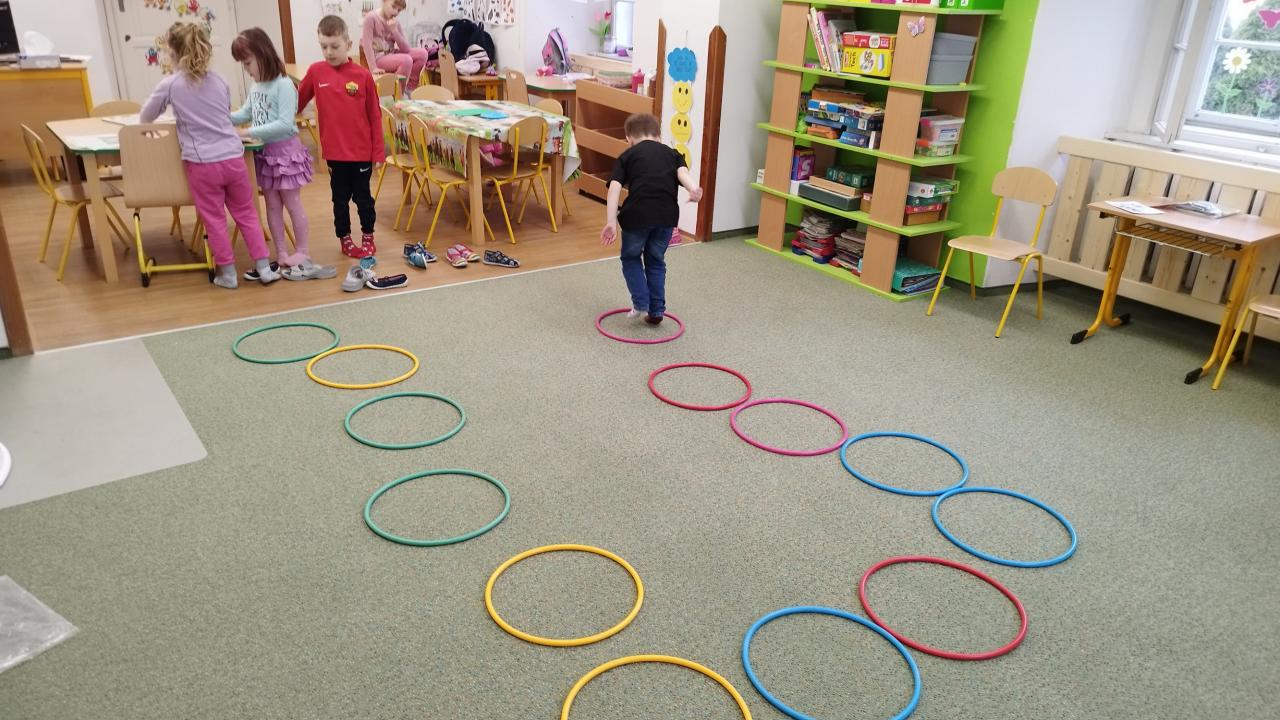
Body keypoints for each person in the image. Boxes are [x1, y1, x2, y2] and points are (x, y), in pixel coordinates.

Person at [141, 22, 278, 289]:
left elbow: (146, 117)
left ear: (173, 53)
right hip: (233, 158)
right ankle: (264, 268)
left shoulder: (171, 84)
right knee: (247, 214)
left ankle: (228, 274)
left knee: (215, 220)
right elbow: (222, 115)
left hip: (202, 164)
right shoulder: (220, 81)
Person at [230, 27, 334, 282]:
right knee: (272, 206)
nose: (246, 69)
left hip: (286, 155)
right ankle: (281, 253)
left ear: (262, 55)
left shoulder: (284, 84)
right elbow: (245, 113)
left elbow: (285, 124)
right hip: (265, 156)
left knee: (292, 203)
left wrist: (246, 132)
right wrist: (218, 117)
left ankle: (302, 252)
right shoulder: (257, 86)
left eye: (247, 63)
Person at [298, 14, 387, 289]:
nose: (329, 52)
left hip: (361, 154)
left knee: (364, 199)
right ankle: (345, 239)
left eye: (334, 46)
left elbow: (374, 116)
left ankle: (368, 236)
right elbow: (296, 103)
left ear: (348, 44)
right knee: (339, 200)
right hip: (335, 156)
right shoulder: (316, 72)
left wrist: (378, 153)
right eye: (323, 46)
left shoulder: (363, 76)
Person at [600, 113, 702, 324]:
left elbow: (614, 188)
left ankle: (640, 302)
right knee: (655, 260)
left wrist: (611, 222)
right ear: (659, 135)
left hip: (636, 216)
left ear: (629, 138)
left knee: (631, 258)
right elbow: (683, 174)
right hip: (666, 217)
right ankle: (656, 311)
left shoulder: (627, 156)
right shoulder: (673, 154)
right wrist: (693, 189)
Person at [362, 0, 430, 95]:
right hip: (378, 58)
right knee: (406, 60)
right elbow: (367, 45)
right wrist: (373, 68)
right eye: (393, 7)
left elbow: (406, 49)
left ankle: (409, 88)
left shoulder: (395, 23)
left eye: (399, 10)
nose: (395, 12)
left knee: (422, 53)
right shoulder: (371, 18)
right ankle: (397, 93)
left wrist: (394, 31)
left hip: (392, 53)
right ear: (384, 1)